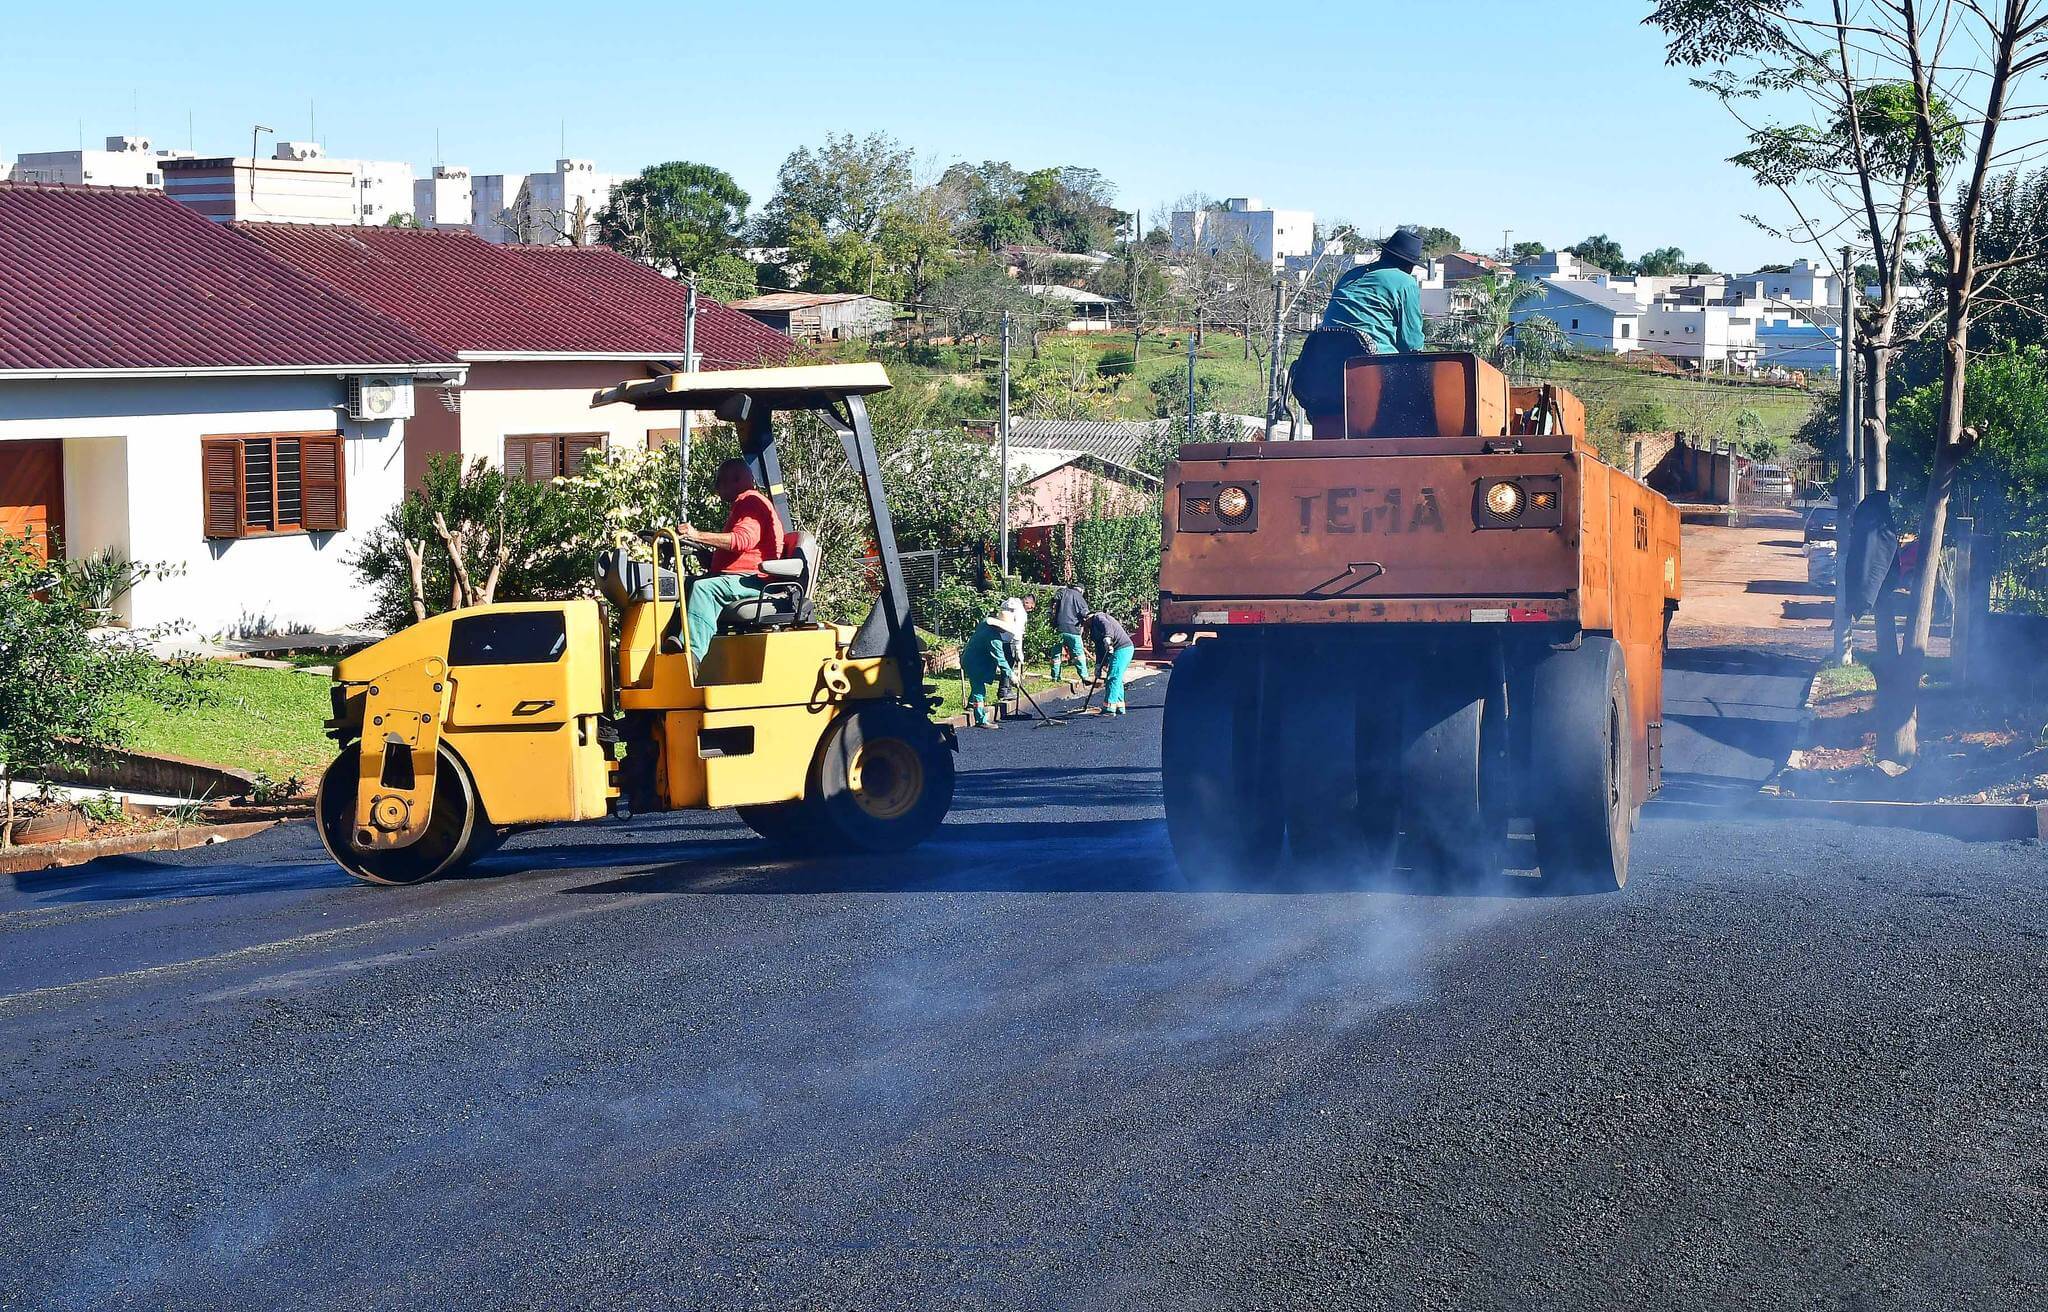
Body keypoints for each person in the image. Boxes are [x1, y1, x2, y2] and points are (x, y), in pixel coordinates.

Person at [1288, 226, 1427, 422]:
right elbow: (1412, 344)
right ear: (1410, 266)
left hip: (1323, 374)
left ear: (1383, 254)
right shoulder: (1405, 282)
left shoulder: (1351, 275)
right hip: (1373, 372)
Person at [677, 458, 784, 665]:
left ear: (735, 480)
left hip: (756, 581)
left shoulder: (751, 501)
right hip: (742, 578)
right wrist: (709, 558)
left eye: (719, 481)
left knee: (704, 589)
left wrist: (697, 534)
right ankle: (675, 643)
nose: (716, 488)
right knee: (683, 585)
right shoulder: (744, 503)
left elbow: (742, 540)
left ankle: (690, 659)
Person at [961, 606, 1023, 728]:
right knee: (979, 690)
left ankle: (970, 704)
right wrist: (1011, 675)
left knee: (976, 684)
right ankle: (981, 720)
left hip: (971, 658)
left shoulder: (985, 624)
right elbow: (1001, 659)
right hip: (974, 663)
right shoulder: (994, 639)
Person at [1085, 610, 1135, 717]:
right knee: (1116, 677)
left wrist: (1108, 638)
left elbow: (1107, 626)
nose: (1083, 626)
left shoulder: (1098, 617)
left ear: (1087, 618)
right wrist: (1098, 665)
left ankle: (1109, 708)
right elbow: (1099, 649)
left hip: (1122, 648)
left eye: (1083, 622)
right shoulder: (1093, 632)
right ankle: (1119, 706)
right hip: (1118, 650)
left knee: (1113, 677)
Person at [1049, 582, 1091, 685]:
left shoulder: (1063, 592)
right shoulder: (1080, 598)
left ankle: (1055, 677)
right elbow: (1085, 614)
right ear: (1081, 590)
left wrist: (1050, 613)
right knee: (1079, 655)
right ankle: (1084, 676)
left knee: (1056, 655)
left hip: (1058, 628)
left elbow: (1053, 599)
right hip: (1073, 630)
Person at [997, 596, 1030, 701]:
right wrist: (1019, 652)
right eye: (1031, 606)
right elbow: (1017, 633)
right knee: (1008, 664)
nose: (1031, 609)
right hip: (1009, 641)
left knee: (1006, 664)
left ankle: (1006, 690)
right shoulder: (1020, 613)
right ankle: (1004, 691)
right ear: (1027, 602)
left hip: (999, 638)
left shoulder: (1005, 605)